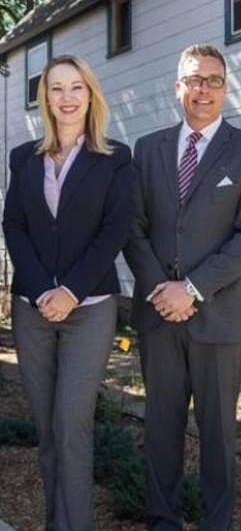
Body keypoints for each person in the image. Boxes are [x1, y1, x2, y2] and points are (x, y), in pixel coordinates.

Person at [124, 43, 241, 530]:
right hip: (158, 315)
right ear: (178, 87)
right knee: (162, 430)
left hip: (221, 317)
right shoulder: (147, 150)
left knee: (218, 435)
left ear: (226, 89)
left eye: (212, 79)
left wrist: (190, 289)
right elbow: (133, 227)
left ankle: (216, 524)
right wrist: (162, 292)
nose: (203, 88)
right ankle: (162, 521)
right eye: (194, 79)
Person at [2, 54, 132, 530]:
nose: (67, 97)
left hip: (90, 307)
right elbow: (13, 225)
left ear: (90, 93)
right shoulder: (23, 157)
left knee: (71, 426)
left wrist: (70, 291)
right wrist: (41, 291)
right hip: (32, 308)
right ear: (46, 99)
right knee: (47, 430)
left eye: (76, 87)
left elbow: (115, 230)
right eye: (56, 88)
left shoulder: (115, 158)